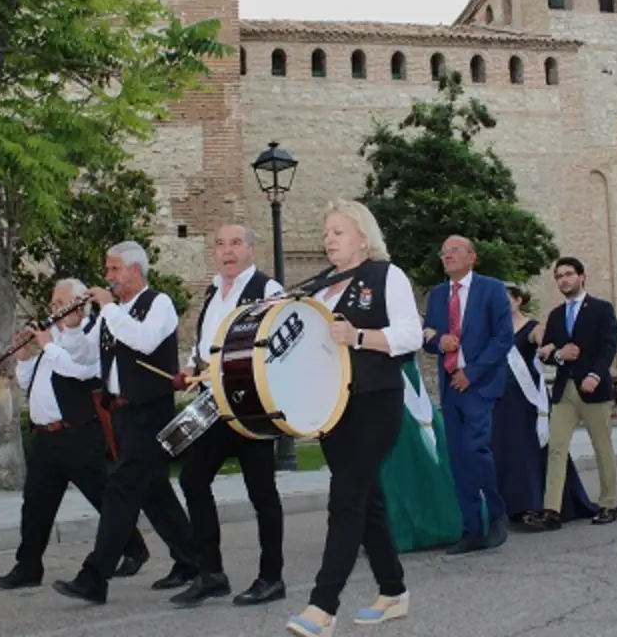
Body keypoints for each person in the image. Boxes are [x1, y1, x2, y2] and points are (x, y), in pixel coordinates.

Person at [286, 199, 421, 637]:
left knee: (345, 500)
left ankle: (322, 608)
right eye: (326, 233)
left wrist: (359, 335)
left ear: (363, 237)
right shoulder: (322, 287)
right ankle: (393, 590)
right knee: (367, 500)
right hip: (335, 408)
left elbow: (410, 335)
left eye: (338, 232)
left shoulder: (386, 275)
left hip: (375, 402)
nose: (329, 239)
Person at [50, 241, 200, 605]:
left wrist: (108, 307)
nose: (108, 277)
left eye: (114, 269)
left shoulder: (158, 304)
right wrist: (70, 327)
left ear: (135, 271)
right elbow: (87, 356)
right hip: (120, 413)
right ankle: (192, 560)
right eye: (108, 269)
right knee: (153, 491)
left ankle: (94, 576)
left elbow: (145, 342)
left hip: (150, 410)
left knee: (120, 489)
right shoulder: (110, 313)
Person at [0, 279, 148, 591]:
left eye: (61, 303)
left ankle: (134, 547)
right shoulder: (53, 337)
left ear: (80, 303)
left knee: (103, 497)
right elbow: (32, 383)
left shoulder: (89, 334)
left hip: (78, 434)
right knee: (35, 503)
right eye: (52, 304)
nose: (55, 310)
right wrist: (24, 359)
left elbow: (79, 370)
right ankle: (28, 566)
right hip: (46, 438)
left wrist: (48, 344)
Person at [170, 224, 287, 607]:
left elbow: (280, 342)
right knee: (192, 478)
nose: (227, 251)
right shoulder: (212, 292)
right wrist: (191, 369)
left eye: (235, 243)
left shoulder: (267, 290)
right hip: (213, 406)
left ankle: (272, 577)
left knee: (262, 493)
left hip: (250, 407)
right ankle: (211, 573)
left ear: (251, 250)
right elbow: (204, 345)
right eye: (220, 244)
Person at [422, 235, 513, 554]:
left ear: (472, 257)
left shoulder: (491, 289)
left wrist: (471, 373)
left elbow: (503, 339)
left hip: (479, 384)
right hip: (450, 387)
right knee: (458, 457)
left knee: (476, 450)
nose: (447, 255)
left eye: (454, 251)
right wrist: (438, 342)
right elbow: (428, 336)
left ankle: (498, 514)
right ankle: (472, 528)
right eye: (443, 251)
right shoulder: (436, 295)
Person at [525, 257, 617, 532]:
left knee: (601, 446)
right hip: (564, 391)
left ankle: (608, 503)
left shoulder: (601, 309)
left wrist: (594, 375)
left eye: (569, 274)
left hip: (593, 389)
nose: (564, 280)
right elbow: (548, 353)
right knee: (556, 447)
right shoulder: (555, 315)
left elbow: (609, 345)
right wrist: (557, 354)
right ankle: (552, 509)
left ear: (582, 277)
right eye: (559, 276)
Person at [493, 282, 599, 526]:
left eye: (506, 297)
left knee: (530, 450)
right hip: (502, 398)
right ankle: (512, 505)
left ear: (518, 300)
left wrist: (547, 345)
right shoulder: (495, 330)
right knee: (506, 450)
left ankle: (536, 504)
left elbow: (543, 340)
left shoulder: (532, 327)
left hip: (528, 399)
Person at [378, 352, 464, 553]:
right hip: (387, 379)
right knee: (397, 463)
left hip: (405, 377)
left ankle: (429, 523)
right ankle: (399, 524)